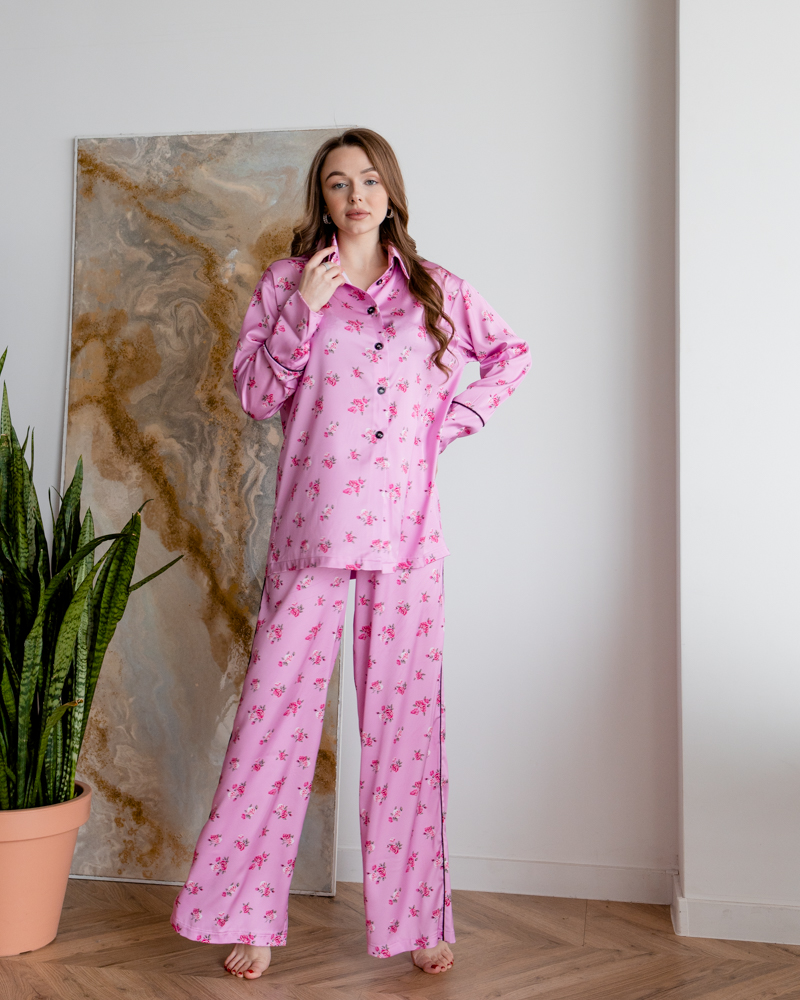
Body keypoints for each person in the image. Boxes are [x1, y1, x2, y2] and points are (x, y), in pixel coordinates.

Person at [170, 127, 531, 980]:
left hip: (406, 538)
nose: (355, 195)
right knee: (272, 724)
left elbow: (511, 355)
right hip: (312, 530)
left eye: (369, 180)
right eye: (338, 183)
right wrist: (303, 309)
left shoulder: (437, 289)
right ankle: (248, 916)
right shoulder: (287, 284)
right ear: (322, 200)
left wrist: (452, 422)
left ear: (390, 190)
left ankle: (417, 921)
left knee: (406, 733)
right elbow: (255, 395)